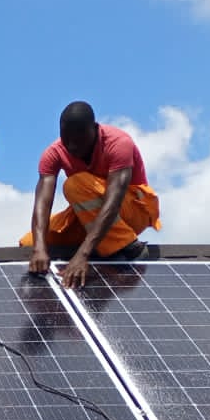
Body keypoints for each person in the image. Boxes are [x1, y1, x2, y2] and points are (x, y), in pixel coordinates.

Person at [24, 101, 156, 288]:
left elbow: (113, 201)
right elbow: (42, 203)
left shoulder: (118, 143)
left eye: (78, 140)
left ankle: (128, 247)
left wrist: (83, 254)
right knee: (30, 242)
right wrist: (39, 248)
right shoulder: (54, 153)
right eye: (66, 139)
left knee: (75, 185)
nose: (72, 146)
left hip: (133, 210)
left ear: (94, 129)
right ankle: (107, 244)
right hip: (92, 217)